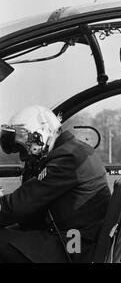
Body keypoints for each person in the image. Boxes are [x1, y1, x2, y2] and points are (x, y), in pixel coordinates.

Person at [0, 105, 111, 263]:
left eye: (23, 149)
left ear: (39, 135)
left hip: (74, 248)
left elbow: (19, 204)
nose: (24, 157)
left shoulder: (68, 158)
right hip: (78, 239)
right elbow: (29, 213)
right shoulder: (74, 151)